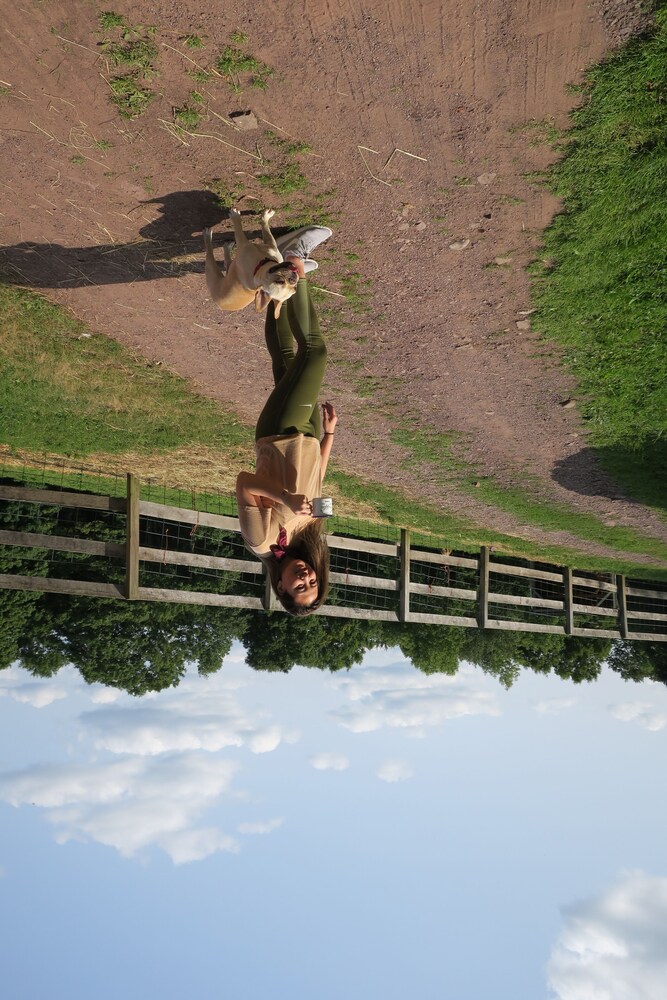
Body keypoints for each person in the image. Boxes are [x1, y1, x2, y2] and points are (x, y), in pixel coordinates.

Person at [236, 225, 337, 616]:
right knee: (286, 360)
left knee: (314, 354)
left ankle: (295, 263)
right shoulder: (311, 538)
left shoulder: (261, 542)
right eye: (313, 582)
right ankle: (274, 281)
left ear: (280, 587)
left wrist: (284, 500)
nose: (306, 577)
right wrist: (328, 436)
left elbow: (244, 483)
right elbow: (317, 479)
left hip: (278, 434)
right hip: (310, 434)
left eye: (299, 587)